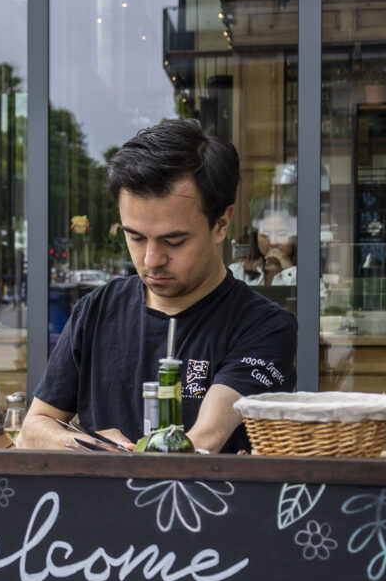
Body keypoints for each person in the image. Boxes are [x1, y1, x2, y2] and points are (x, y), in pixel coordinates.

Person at [18, 119, 296, 454]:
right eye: (135, 237)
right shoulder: (96, 311)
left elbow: (204, 439)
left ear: (221, 224)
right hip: (98, 505)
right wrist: (88, 445)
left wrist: (120, 458)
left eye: (174, 241)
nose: (151, 259)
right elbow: (32, 430)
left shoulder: (264, 326)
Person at [229, 199, 297, 286]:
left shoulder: (311, 274)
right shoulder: (237, 273)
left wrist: (289, 269)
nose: (273, 242)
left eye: (281, 233)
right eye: (265, 235)